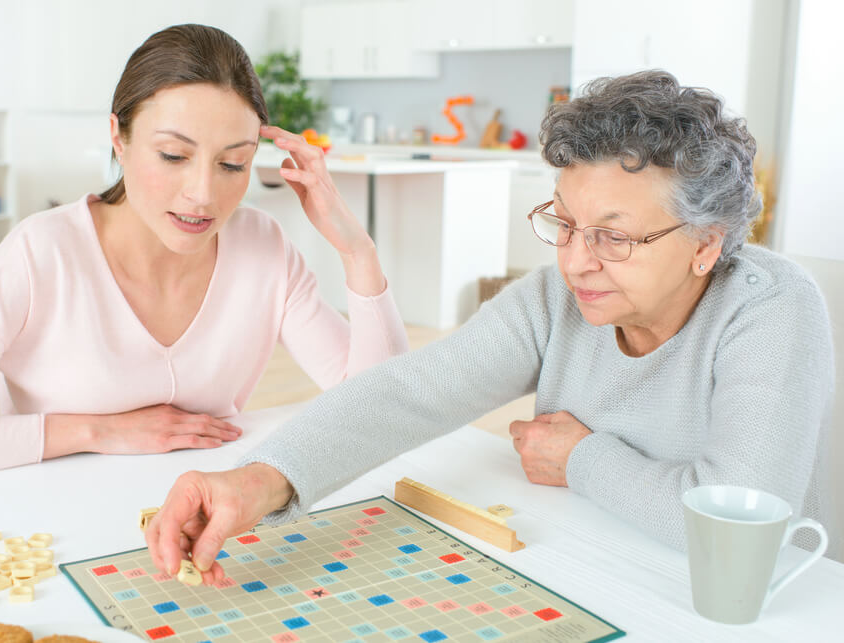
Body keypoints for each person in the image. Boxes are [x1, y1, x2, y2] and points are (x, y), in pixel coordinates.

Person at [143, 70, 835, 583]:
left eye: (613, 238)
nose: (575, 261)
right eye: (564, 224)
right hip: (592, 564)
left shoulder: (772, 307)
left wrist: (580, 458)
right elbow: (411, 391)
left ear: (706, 243)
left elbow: (740, 530)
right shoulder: (556, 299)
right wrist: (258, 480)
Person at [0, 25, 408, 479]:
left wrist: (356, 249)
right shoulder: (42, 254)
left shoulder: (264, 248)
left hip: (212, 527)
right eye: (172, 155)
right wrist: (99, 430)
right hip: (54, 529)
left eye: (233, 163)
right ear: (118, 138)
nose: (203, 194)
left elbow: (383, 412)